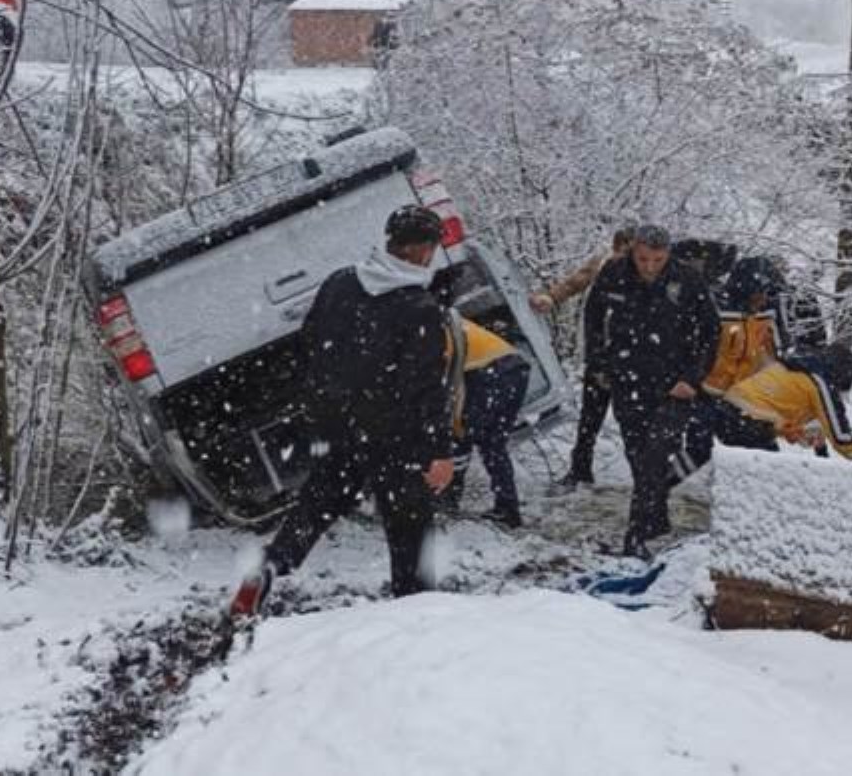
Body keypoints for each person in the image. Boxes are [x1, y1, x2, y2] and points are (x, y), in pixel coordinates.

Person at [229, 206, 456, 618]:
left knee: (317, 504)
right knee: (410, 531)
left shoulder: (340, 282)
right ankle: (416, 614)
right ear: (424, 251)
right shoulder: (419, 307)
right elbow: (427, 388)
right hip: (396, 436)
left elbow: (309, 342)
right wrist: (439, 451)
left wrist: (330, 401)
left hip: (337, 424)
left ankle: (269, 566)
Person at [584, 225, 719, 557]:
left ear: (668, 254)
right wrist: (599, 363)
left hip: (674, 384)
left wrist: (693, 377)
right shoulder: (614, 273)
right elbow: (593, 316)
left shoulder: (686, 279)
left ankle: (637, 537)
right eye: (643, 258)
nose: (649, 267)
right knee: (637, 456)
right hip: (628, 378)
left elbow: (711, 331)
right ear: (633, 251)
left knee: (657, 455)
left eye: (657, 260)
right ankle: (656, 520)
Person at [529, 226, 634, 488]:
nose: (628, 257)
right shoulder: (602, 266)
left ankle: (645, 476)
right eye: (625, 250)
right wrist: (551, 298)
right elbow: (576, 280)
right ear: (616, 247)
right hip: (600, 355)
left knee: (632, 422)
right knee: (590, 417)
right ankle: (580, 469)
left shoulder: (649, 273)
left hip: (632, 360)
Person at [718, 344, 852, 463]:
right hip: (748, 420)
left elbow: (809, 429)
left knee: (756, 475)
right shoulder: (821, 382)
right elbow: (841, 438)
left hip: (729, 410)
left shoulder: (800, 368)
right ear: (842, 375)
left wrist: (821, 454)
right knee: (767, 479)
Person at [441, 314, 531, 528]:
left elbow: (452, 388)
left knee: (464, 437)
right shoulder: (444, 321)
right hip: (514, 368)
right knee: (493, 444)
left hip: (492, 373)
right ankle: (507, 508)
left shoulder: (431, 337)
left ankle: (449, 500)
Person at [703, 256, 785, 399]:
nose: (764, 299)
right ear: (746, 290)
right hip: (709, 395)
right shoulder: (717, 314)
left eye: (768, 293)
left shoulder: (766, 317)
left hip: (748, 399)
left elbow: (775, 358)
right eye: (760, 292)